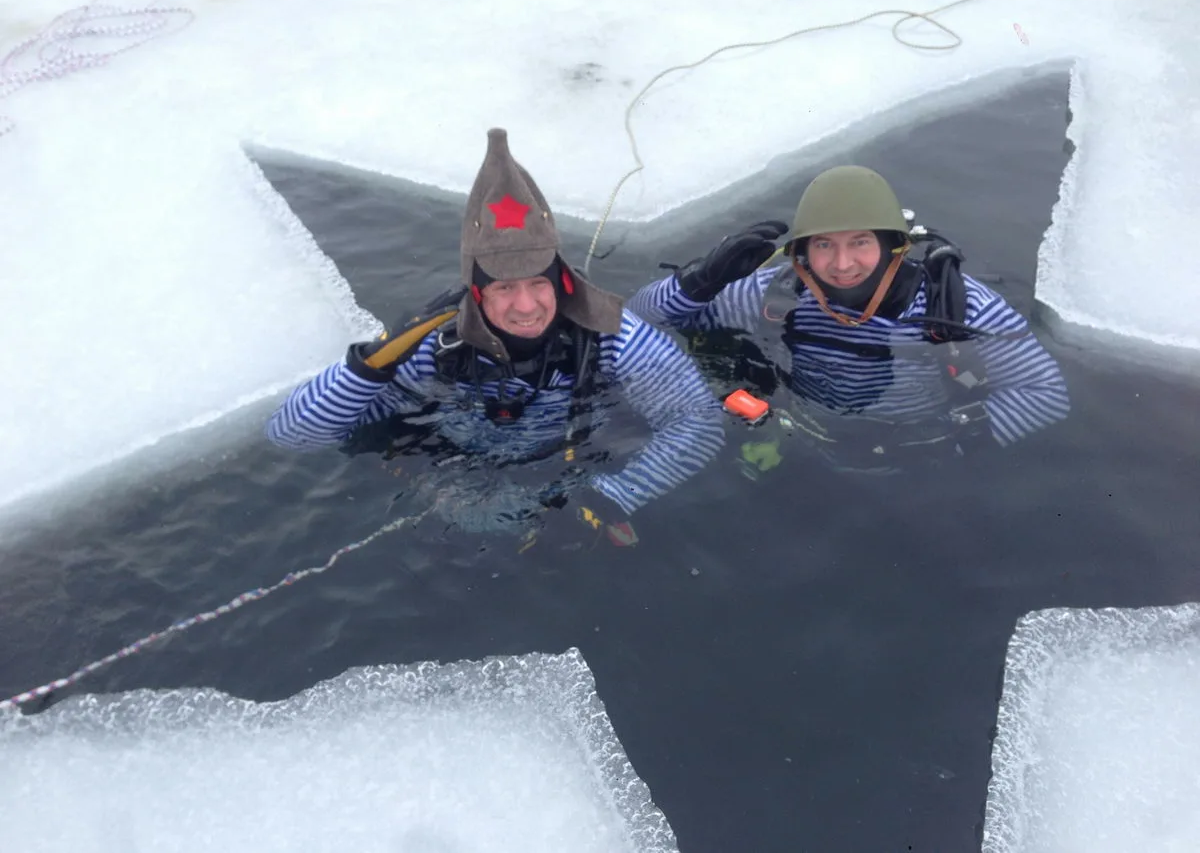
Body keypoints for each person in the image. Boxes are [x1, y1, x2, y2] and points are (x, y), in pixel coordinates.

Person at [266, 128, 725, 545]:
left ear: (562, 282)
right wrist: (368, 367)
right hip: (465, 478)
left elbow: (697, 423)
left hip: (583, 465)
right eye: (504, 287)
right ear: (477, 290)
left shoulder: (613, 337)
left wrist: (613, 497)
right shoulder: (433, 347)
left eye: (537, 283)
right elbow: (293, 435)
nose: (526, 307)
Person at [627, 165, 1070, 475]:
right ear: (802, 251)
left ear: (895, 245)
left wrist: (937, 444)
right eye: (824, 245)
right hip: (802, 445)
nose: (842, 264)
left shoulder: (959, 308)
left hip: (921, 466)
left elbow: (1045, 394)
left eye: (860, 242)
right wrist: (703, 279)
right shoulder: (777, 293)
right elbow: (640, 322)